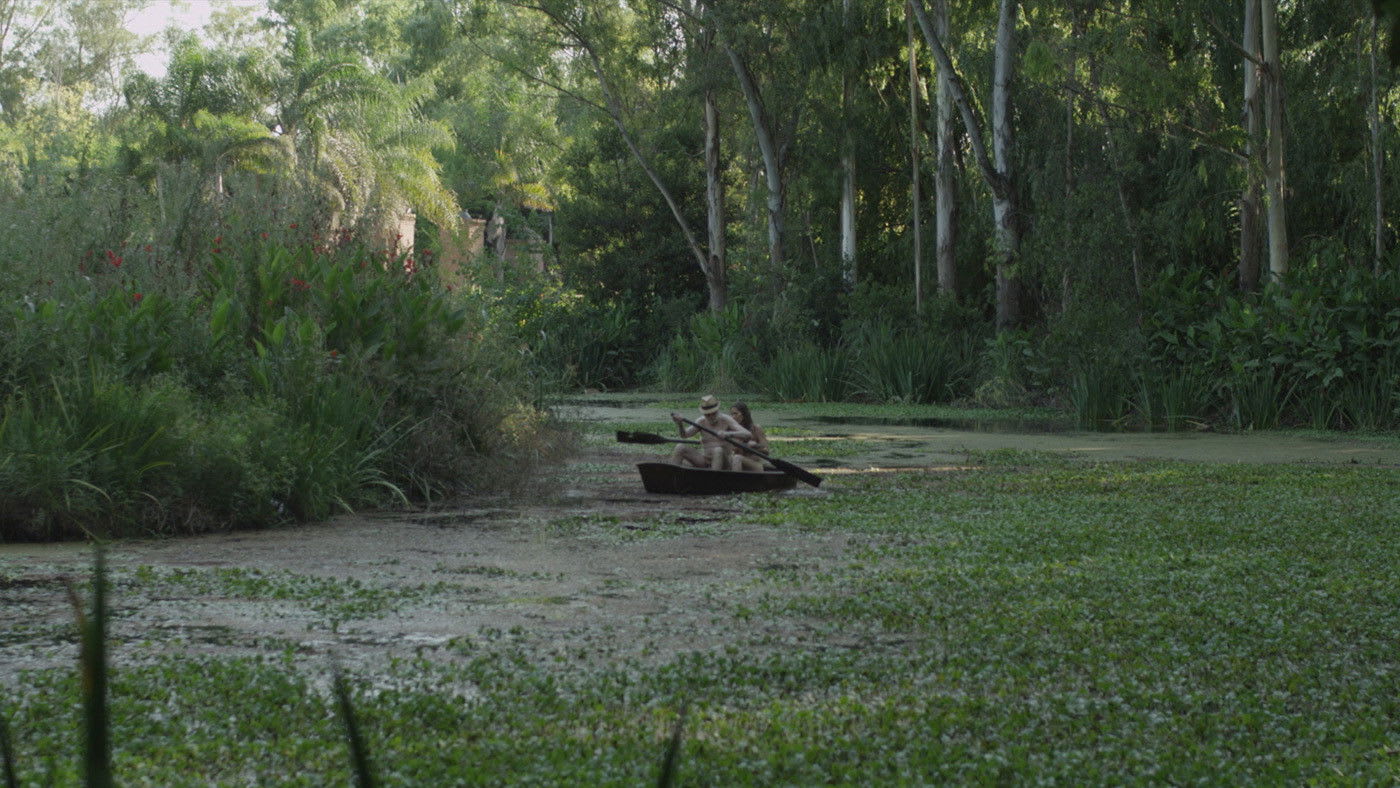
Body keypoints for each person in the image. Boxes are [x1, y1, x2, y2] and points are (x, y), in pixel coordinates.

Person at [670, 394, 750, 470]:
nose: (711, 417)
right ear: (704, 414)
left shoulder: (726, 420)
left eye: (714, 413)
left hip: (725, 462)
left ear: (717, 410)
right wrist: (680, 424)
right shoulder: (701, 421)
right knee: (680, 447)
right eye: (708, 415)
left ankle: (713, 478)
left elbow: (747, 434)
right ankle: (671, 475)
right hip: (705, 460)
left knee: (718, 450)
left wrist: (728, 434)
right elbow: (684, 435)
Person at [727, 401, 771, 472]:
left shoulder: (756, 429)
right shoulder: (730, 432)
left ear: (744, 414)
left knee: (737, 458)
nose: (732, 417)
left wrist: (754, 447)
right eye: (731, 414)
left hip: (754, 465)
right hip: (736, 464)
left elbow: (766, 451)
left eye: (735, 414)